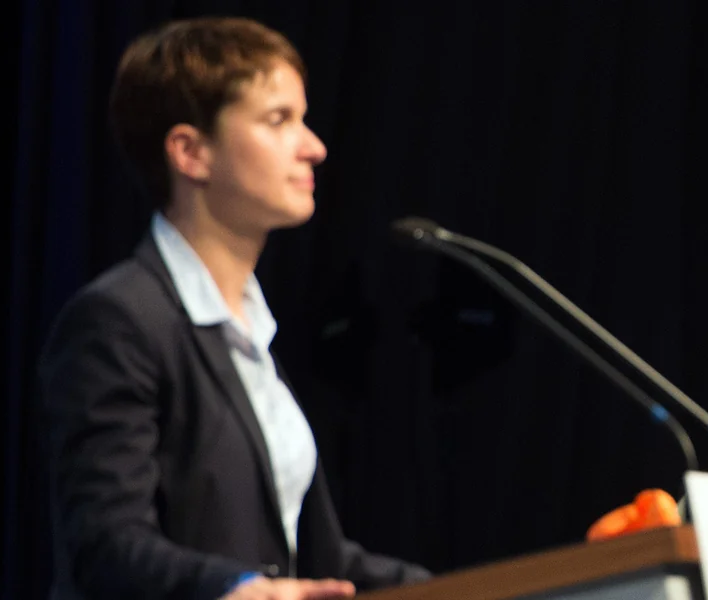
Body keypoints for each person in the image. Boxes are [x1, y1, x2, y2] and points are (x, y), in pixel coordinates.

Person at [37, 17, 430, 600]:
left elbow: (318, 558)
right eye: (279, 120)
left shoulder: (248, 329)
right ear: (190, 152)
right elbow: (106, 544)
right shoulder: (119, 321)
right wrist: (234, 586)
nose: (314, 147)